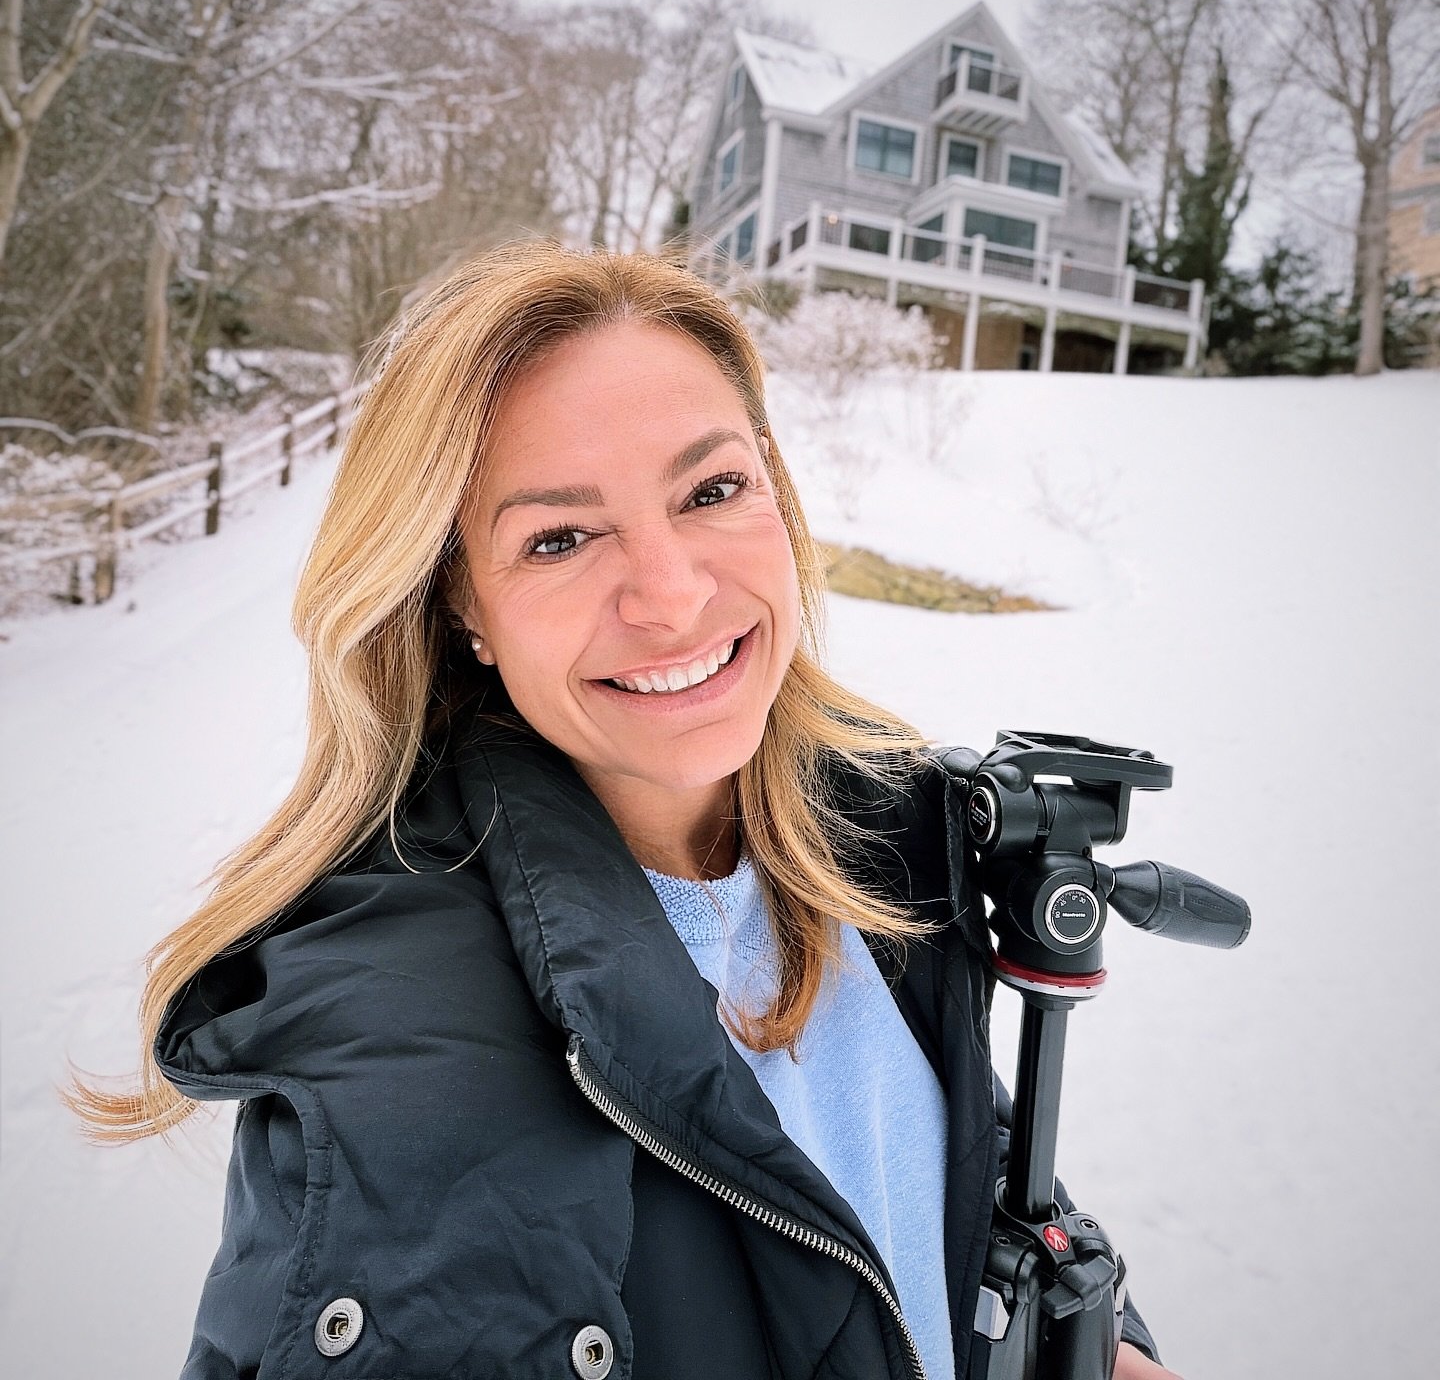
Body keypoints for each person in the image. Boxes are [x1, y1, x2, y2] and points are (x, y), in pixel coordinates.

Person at [67, 243, 1178, 1379]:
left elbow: (939, 1157)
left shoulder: (872, 832)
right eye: (558, 537)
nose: (673, 594)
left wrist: (1102, 1342)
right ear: (463, 606)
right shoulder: (409, 1079)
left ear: (777, 495)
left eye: (711, 490)